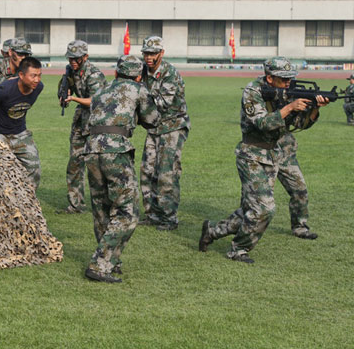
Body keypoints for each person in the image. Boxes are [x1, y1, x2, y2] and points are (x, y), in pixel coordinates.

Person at [199, 57, 328, 264]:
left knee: (253, 208)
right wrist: (290, 107)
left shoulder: (285, 92)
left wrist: (315, 109)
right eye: (283, 79)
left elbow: (297, 124)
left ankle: (213, 231)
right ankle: (238, 249)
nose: (288, 83)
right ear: (269, 78)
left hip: (274, 154)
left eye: (290, 79)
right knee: (264, 208)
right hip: (252, 155)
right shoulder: (253, 91)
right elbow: (262, 123)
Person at [83, 55, 159, 283]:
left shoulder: (102, 91)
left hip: (91, 149)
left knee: (101, 207)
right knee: (128, 212)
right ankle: (100, 264)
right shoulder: (138, 89)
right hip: (115, 150)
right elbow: (153, 119)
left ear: (116, 73)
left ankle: (110, 259)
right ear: (138, 76)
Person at [138, 36, 190, 231]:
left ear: (161, 53)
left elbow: (160, 103)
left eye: (153, 53)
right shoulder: (141, 71)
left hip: (172, 126)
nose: (149, 57)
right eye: (146, 53)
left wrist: (136, 100)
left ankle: (169, 218)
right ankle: (152, 214)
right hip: (154, 128)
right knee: (147, 170)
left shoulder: (170, 74)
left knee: (166, 172)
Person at [58, 40, 107, 214]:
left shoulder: (93, 74)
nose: (72, 61)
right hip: (81, 122)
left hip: (97, 122)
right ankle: (75, 204)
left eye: (76, 58)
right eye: (70, 57)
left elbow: (95, 101)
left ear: (85, 57)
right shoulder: (70, 71)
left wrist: (73, 99)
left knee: (96, 166)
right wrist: (64, 95)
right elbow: (66, 88)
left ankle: (102, 204)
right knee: (74, 163)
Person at [0, 56, 44, 190]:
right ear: (21, 75)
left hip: (19, 133)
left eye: (39, 75)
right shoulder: (4, 89)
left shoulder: (39, 87)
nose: (37, 80)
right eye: (33, 76)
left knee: (33, 167)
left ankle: (27, 203)